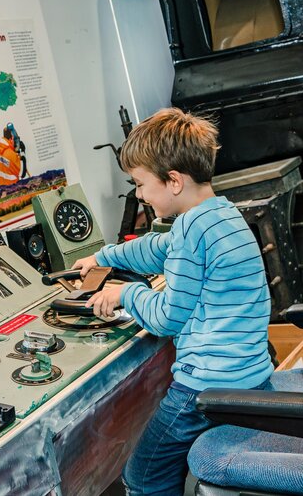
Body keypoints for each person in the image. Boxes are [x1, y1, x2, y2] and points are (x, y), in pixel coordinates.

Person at [73, 107, 272, 496]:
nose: (140, 195)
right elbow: (158, 248)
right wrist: (104, 257)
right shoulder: (219, 215)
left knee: (142, 478)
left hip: (206, 390)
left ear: (174, 181)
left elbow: (167, 319)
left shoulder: (191, 231)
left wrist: (124, 293)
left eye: (141, 184)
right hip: (251, 378)